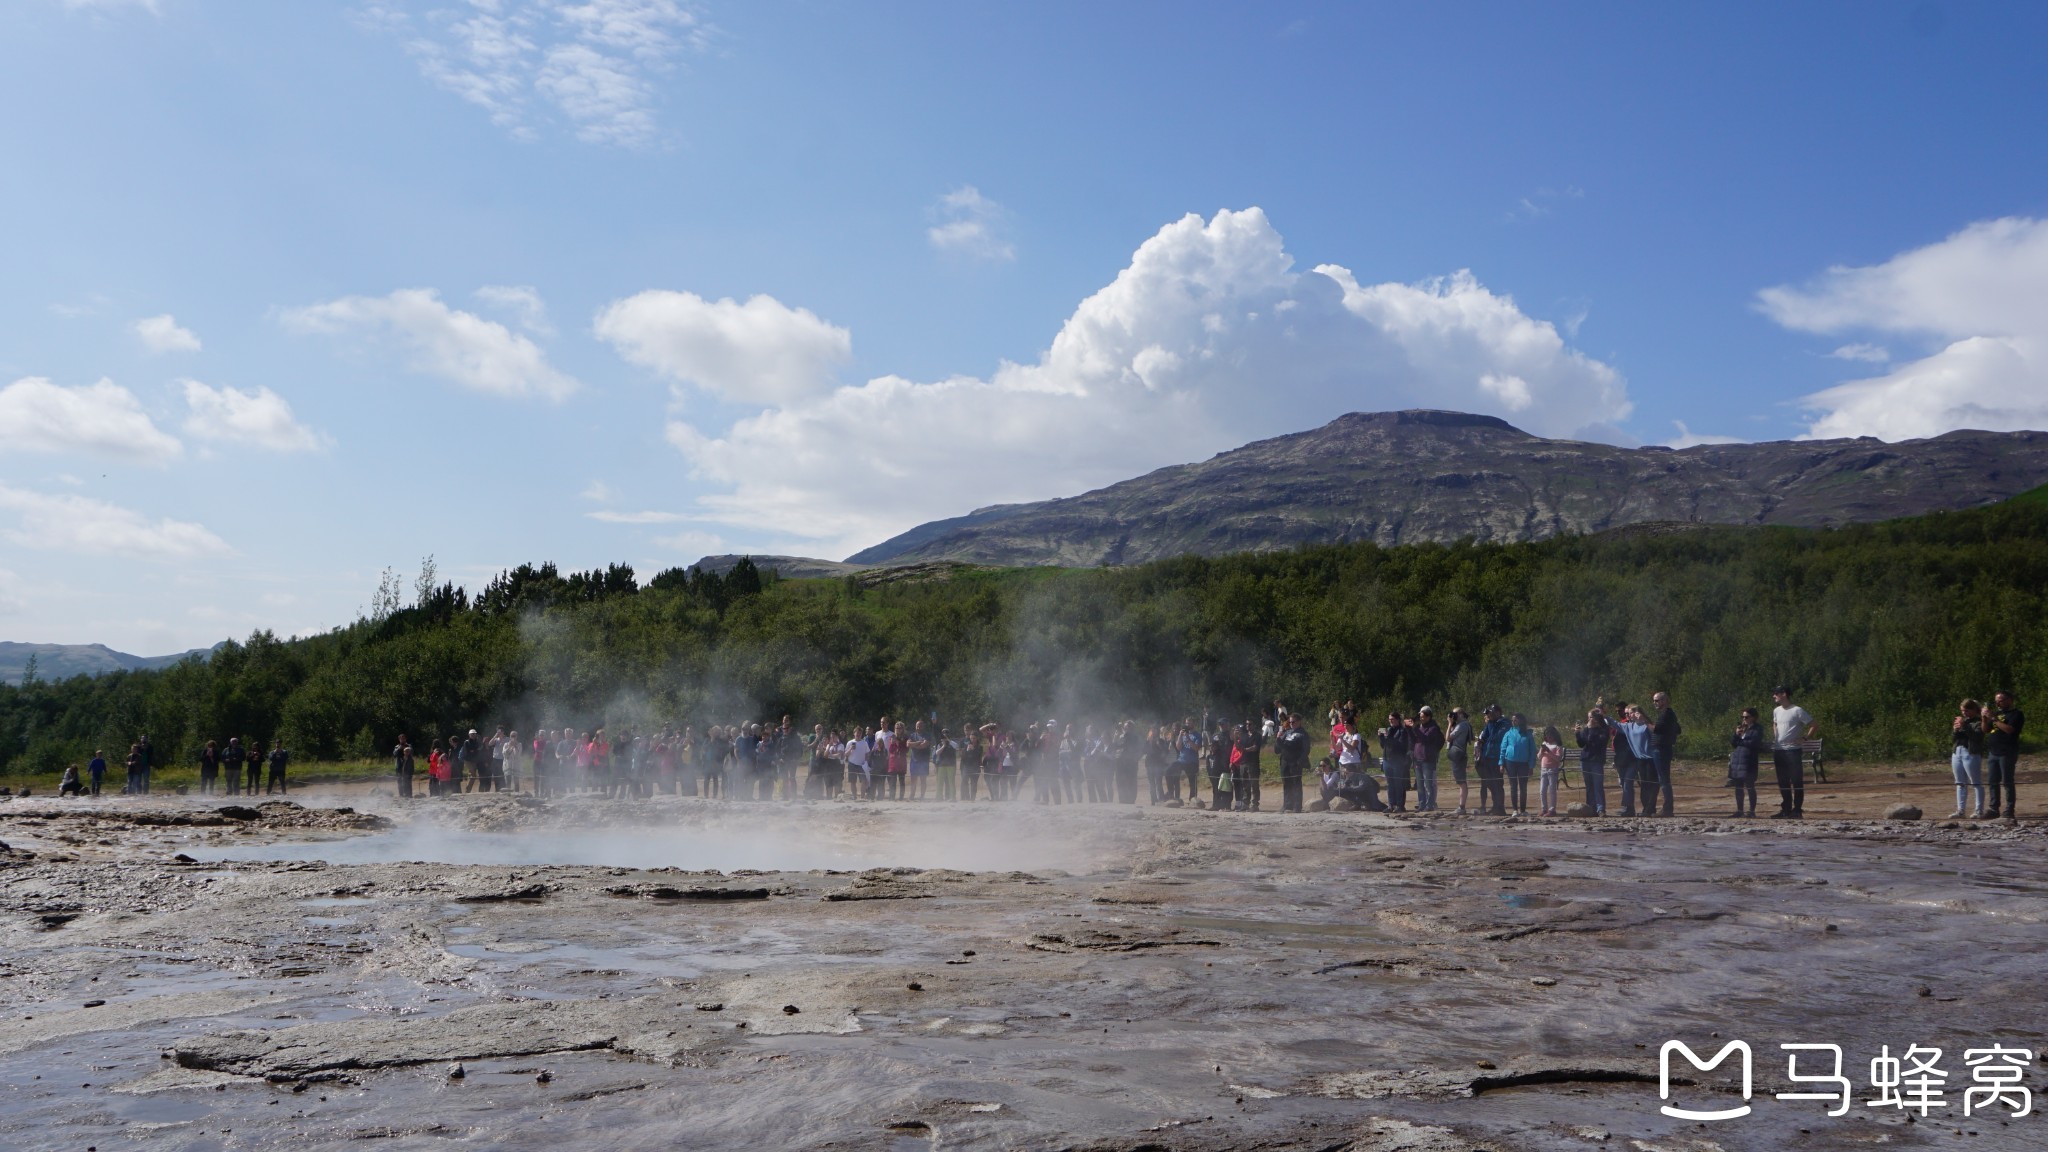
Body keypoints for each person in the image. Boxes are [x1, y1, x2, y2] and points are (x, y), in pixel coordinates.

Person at [1769, 685, 1816, 820]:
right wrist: (1776, 735)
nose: (1774, 696)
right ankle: (1786, 809)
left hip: (1793, 751)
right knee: (1783, 781)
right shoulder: (1776, 710)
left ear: (1784, 694)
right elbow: (1775, 723)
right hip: (1779, 750)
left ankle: (1797, 810)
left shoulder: (1797, 710)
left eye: (1776, 693)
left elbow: (1814, 724)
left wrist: (1804, 738)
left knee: (1796, 781)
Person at [1985, 691, 2023, 821]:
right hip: (1993, 752)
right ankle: (1994, 808)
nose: (1998, 703)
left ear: (2009, 700)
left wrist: (1994, 719)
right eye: (1996, 701)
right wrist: (1984, 717)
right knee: (1992, 781)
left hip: (2007, 752)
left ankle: (2009, 809)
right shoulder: (1996, 714)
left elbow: (2010, 730)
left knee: (2007, 781)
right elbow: (1986, 730)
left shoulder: (2016, 714)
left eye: (2000, 700)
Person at [1614, 706, 1658, 816]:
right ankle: (1645, 808)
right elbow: (1616, 727)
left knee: (1651, 784)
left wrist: (1645, 720)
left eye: (1629, 713)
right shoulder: (1628, 725)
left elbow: (1655, 733)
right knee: (1644, 785)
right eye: (1626, 713)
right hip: (1639, 759)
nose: (1627, 715)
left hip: (1650, 758)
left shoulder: (1645, 724)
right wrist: (1604, 716)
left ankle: (1650, 808)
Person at [1952, 699, 1988, 820]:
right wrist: (1955, 729)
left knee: (1975, 782)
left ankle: (1979, 810)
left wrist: (1965, 726)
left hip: (1971, 752)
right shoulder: (1963, 721)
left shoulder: (1979, 722)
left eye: (1967, 710)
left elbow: (1977, 737)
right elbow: (1954, 738)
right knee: (1960, 782)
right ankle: (1960, 810)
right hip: (1958, 751)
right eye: (1962, 710)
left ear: (1974, 710)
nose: (1964, 713)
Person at [1649, 692, 1681, 818]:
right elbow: (1678, 729)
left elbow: (1657, 729)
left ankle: (1668, 809)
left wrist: (1645, 721)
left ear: (1664, 701)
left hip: (1662, 749)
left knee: (1664, 780)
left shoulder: (1667, 714)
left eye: (1657, 700)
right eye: (1654, 701)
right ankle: (1667, 808)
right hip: (1662, 748)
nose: (1655, 703)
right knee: (1663, 779)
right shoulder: (1668, 715)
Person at [1575, 708, 1611, 816]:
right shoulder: (1586, 729)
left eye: (1591, 717)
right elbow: (1582, 744)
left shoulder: (1603, 729)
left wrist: (1590, 731)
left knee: (1598, 785)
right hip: (1585, 760)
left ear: (1596, 718)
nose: (1590, 720)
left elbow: (1599, 743)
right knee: (1589, 786)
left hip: (1597, 761)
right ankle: (1591, 807)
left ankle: (1600, 809)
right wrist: (1577, 733)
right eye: (1588, 717)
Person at [1729, 708, 1764, 818]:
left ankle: (1751, 811)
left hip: (1749, 760)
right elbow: (1734, 743)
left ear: (1753, 717)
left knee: (1750, 786)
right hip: (1738, 760)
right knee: (1738, 786)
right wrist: (1736, 734)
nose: (1744, 719)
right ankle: (1739, 810)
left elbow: (1753, 742)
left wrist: (1740, 741)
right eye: (1742, 717)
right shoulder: (1742, 728)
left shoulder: (1757, 729)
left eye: (1746, 717)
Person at [1475, 705, 1509, 816]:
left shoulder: (1505, 723)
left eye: (1491, 712)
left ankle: (1500, 808)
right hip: (1487, 756)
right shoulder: (1490, 723)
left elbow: (1497, 738)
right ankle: (1495, 806)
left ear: (1498, 712)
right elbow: (1485, 736)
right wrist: (1480, 742)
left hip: (1497, 757)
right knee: (1489, 782)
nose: (1489, 715)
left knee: (1498, 783)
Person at [1377, 711, 1412, 812]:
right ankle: (1391, 805)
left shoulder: (1402, 731)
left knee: (1398, 783)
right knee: (1390, 783)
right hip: (1387, 759)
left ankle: (1400, 805)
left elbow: (1401, 746)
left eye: (1392, 719)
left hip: (1398, 760)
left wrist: (1389, 738)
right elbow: (1384, 745)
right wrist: (1381, 736)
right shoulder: (1388, 730)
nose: (1390, 721)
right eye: (1389, 720)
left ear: (1397, 720)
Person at [1499, 713, 1534, 814]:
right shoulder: (1508, 733)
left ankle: (1523, 810)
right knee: (1513, 786)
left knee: (1523, 787)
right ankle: (1515, 809)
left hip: (1524, 763)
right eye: (1512, 720)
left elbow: (1532, 751)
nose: (1513, 722)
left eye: (1515, 720)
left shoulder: (1528, 734)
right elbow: (1503, 749)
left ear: (1521, 721)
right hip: (1510, 762)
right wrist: (1501, 763)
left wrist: (1531, 766)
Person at [1411, 707, 1444, 812]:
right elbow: (1414, 739)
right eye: (1420, 717)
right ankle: (1421, 804)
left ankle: (1430, 805)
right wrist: (1409, 729)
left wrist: (1415, 728)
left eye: (1423, 717)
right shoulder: (1419, 727)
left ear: (1428, 716)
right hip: (1418, 758)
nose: (1421, 719)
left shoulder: (1433, 728)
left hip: (1428, 759)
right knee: (1420, 784)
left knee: (1428, 784)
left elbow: (1425, 739)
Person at [1277, 712, 1310, 813]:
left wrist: (1300, 760)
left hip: (1295, 762)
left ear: (1299, 722)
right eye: (1290, 722)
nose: (1291, 724)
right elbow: (1279, 747)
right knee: (1286, 783)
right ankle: (1287, 804)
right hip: (1285, 762)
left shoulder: (1303, 734)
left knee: (1296, 784)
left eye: (1293, 722)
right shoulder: (1287, 732)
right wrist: (1278, 738)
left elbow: (1306, 749)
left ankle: (1297, 806)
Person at [1610, 701, 1639, 817]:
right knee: (1623, 783)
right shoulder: (1620, 723)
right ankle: (1628, 807)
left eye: (1620, 711)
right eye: (1616, 711)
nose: (1619, 713)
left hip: (1631, 758)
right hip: (1620, 757)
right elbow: (1612, 735)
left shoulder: (1630, 724)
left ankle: (1630, 808)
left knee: (1627, 783)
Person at [1445, 708, 1473, 815]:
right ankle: (1461, 806)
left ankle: (1462, 807)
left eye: (1455, 714)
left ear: (1461, 714)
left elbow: (1448, 738)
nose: (1453, 716)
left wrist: (1449, 724)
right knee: (1460, 781)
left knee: (1461, 781)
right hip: (1459, 755)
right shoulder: (1461, 724)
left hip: (1459, 755)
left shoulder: (1462, 725)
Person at [1538, 725, 1565, 816]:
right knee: (1542, 790)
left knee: (1552, 790)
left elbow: (1558, 758)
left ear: (1554, 735)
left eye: (1550, 736)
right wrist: (1542, 751)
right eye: (1546, 735)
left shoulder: (1558, 745)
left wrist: (1549, 752)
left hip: (1553, 769)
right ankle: (1544, 808)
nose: (1548, 737)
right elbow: (1538, 757)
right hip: (1543, 768)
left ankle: (1552, 809)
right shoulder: (1544, 743)